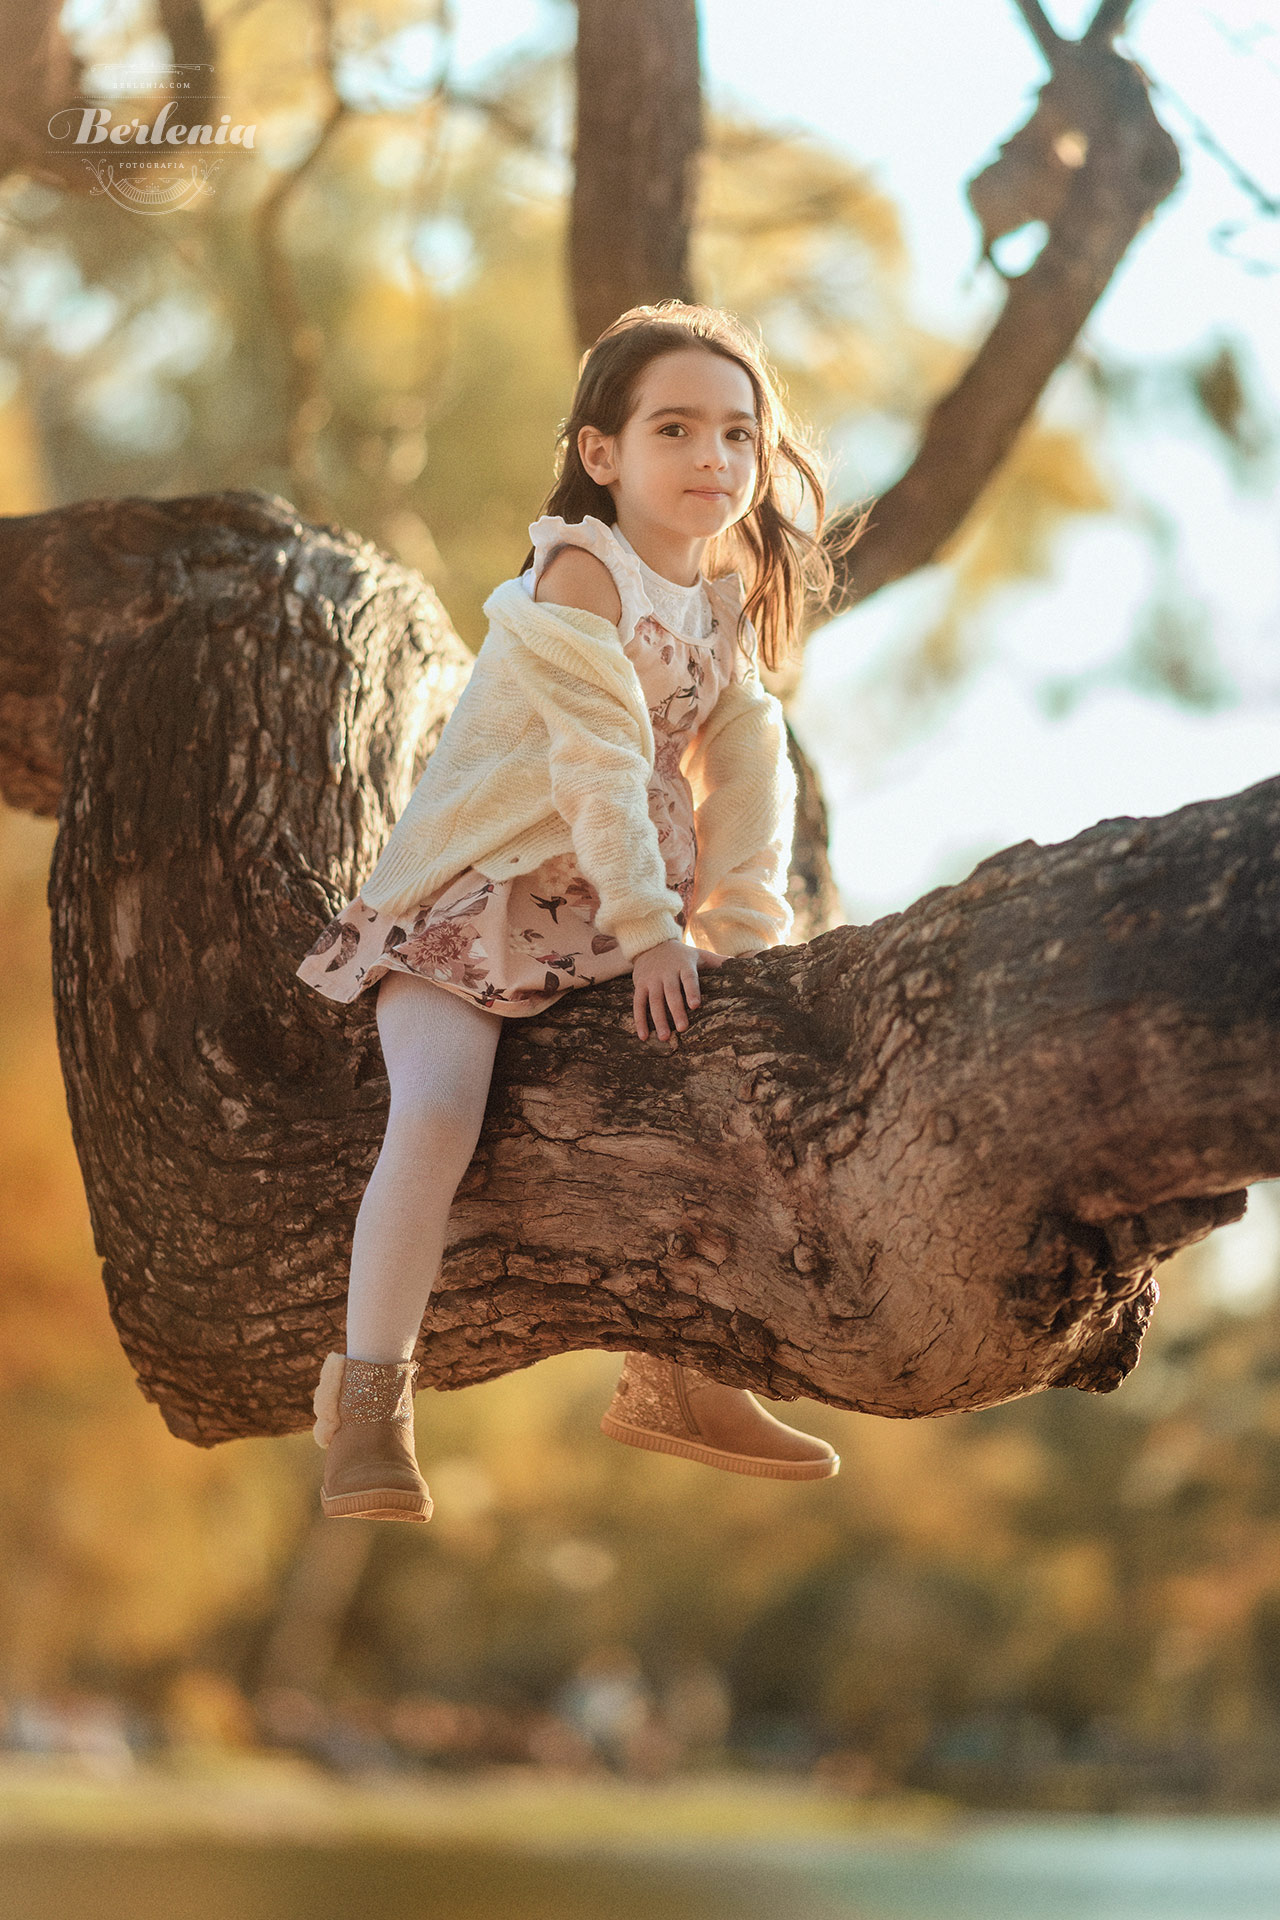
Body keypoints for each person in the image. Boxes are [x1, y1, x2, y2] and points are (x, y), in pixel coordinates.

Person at [296, 301, 856, 1522]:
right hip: (484, 900)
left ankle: (682, 1373)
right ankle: (366, 1408)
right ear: (604, 454)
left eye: (738, 435)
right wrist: (655, 929)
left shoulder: (722, 593)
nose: (714, 458)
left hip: (618, 920)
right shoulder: (580, 570)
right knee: (440, 1116)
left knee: (711, 1099)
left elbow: (750, 771)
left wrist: (741, 938)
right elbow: (598, 765)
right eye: (675, 429)